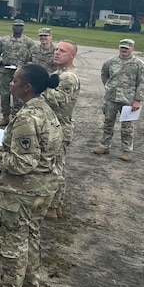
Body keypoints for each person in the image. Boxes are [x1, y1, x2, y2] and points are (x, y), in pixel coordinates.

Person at [0, 64, 63, 287]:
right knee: (31, 240)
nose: (11, 84)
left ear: (27, 87)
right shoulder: (46, 110)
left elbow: (21, 163)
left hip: (21, 193)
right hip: (42, 190)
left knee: (12, 249)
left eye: (15, 81)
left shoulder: (28, 117)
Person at [94, 39, 144, 160]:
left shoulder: (139, 64)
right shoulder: (111, 62)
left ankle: (126, 150)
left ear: (132, 49)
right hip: (111, 98)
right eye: (122, 48)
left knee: (127, 126)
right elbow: (104, 75)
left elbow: (142, 83)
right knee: (108, 123)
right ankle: (104, 146)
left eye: (126, 48)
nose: (124, 50)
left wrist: (138, 100)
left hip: (128, 100)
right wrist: (109, 87)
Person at [43, 40, 80, 220]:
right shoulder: (59, 73)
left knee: (55, 168)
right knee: (53, 165)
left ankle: (53, 206)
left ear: (72, 55)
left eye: (62, 51)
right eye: (56, 49)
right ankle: (53, 205)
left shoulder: (68, 77)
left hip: (59, 127)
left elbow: (60, 99)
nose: (57, 52)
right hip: (53, 125)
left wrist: (39, 86)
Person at [0, 20, 34, 125]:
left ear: (23, 28)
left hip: (20, 74)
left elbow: (33, 57)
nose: (18, 28)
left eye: (20, 26)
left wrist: (25, 67)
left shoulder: (28, 42)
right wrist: (1, 61)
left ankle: (16, 118)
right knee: (4, 94)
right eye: (16, 26)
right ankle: (5, 117)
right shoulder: (4, 40)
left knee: (19, 96)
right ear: (12, 27)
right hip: (5, 72)